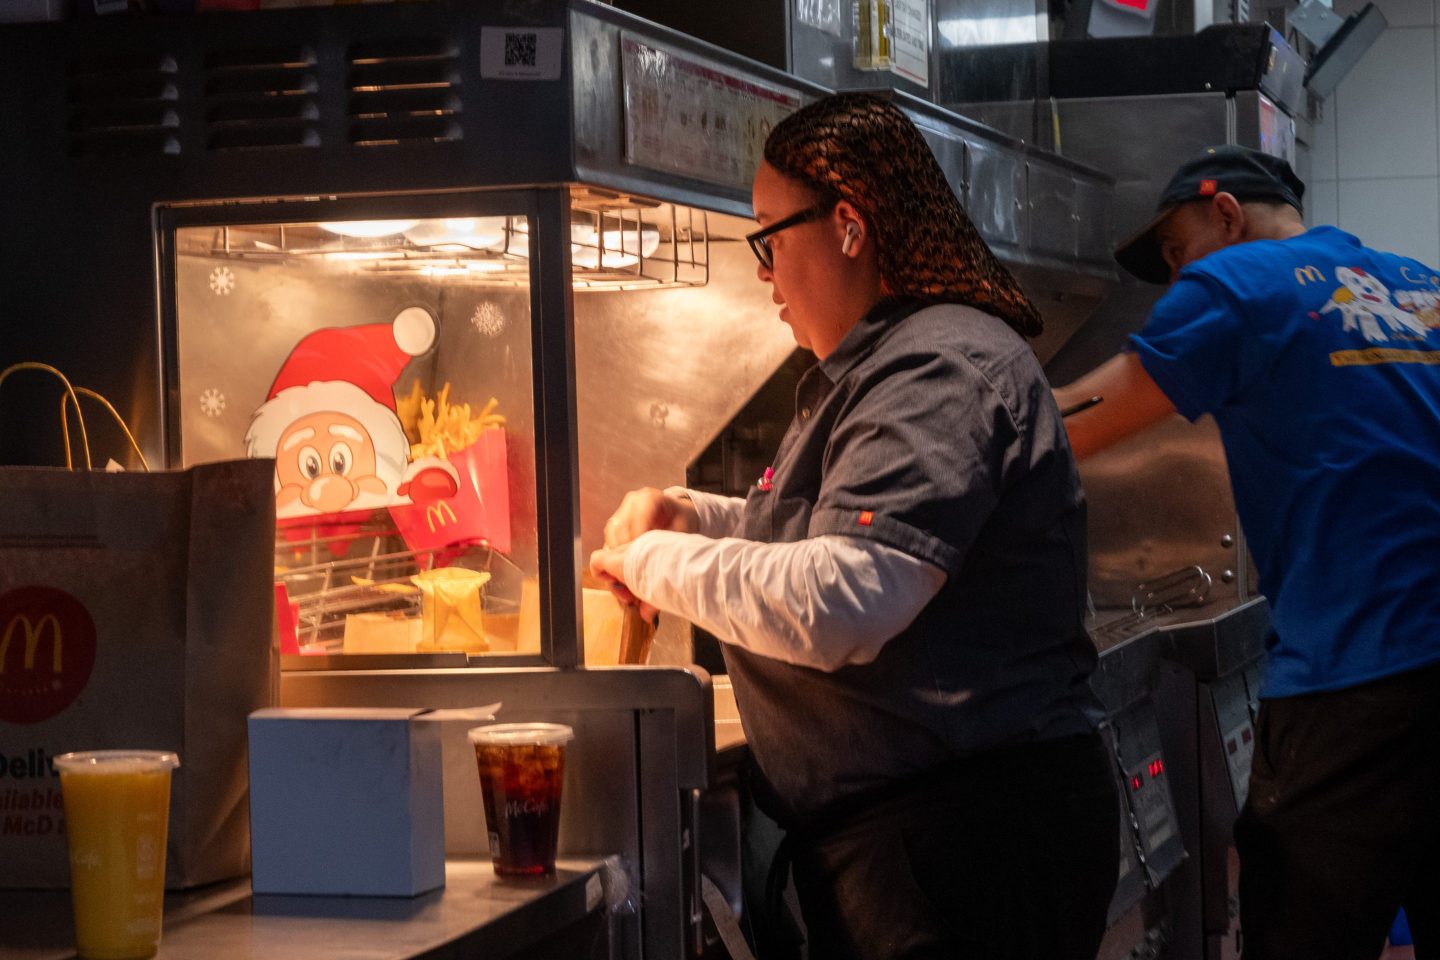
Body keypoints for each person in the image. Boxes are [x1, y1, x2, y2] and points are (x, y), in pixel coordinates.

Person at [590, 92, 1118, 960]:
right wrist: (692, 514)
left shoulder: (937, 365)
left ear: (847, 226)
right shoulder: (876, 366)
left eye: (769, 237)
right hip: (933, 836)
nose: (763, 271)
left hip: (967, 846)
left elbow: (846, 596)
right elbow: (817, 528)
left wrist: (655, 561)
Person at [1053, 145, 1440, 959]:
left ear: (1225, 213)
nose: (1177, 271)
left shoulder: (1238, 283)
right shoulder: (1416, 285)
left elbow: (1074, 424)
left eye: (1176, 248)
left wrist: (936, 411)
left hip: (1354, 681)